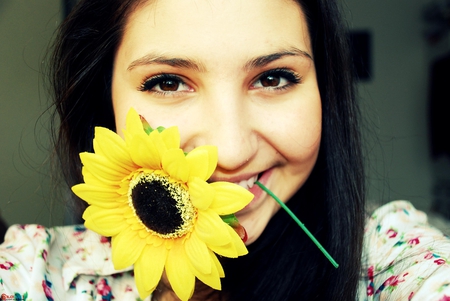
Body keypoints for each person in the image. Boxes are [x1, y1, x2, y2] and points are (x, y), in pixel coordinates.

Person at [0, 0, 449, 300]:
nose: (230, 152)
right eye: (168, 82)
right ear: (106, 101)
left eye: (273, 78)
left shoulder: (389, 255)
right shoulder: (36, 272)